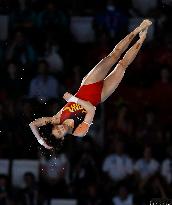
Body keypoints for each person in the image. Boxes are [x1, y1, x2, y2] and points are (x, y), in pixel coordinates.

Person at [29, 20, 152, 149]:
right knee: (122, 66)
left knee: (114, 56)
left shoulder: (55, 119)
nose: (60, 128)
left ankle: (137, 29)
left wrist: (41, 141)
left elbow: (32, 124)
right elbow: (91, 109)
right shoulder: (79, 132)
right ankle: (142, 38)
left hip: (88, 84)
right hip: (99, 96)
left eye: (57, 128)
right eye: (60, 132)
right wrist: (73, 99)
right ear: (63, 138)